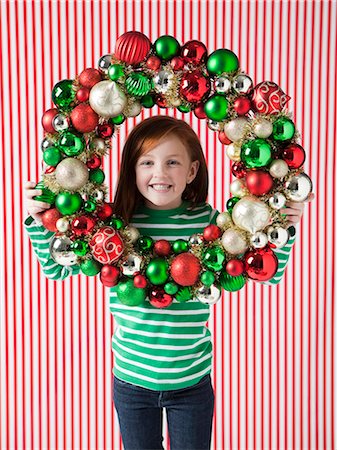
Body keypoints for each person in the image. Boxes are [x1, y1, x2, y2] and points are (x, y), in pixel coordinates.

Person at [23, 115, 314, 450]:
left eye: (172, 162)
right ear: (132, 170)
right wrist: (37, 218)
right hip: (131, 384)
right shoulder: (114, 224)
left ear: (191, 171)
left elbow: (270, 273)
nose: (159, 173)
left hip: (191, 384)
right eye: (147, 162)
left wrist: (285, 225)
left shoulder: (211, 223)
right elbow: (56, 269)